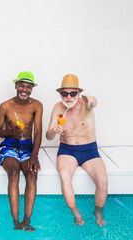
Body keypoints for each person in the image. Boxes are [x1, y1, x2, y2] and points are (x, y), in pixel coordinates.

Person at [46, 74, 108, 226]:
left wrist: (90, 99)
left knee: (103, 180)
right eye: (64, 93)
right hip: (67, 150)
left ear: (79, 93)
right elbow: (48, 136)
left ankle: (98, 212)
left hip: (89, 151)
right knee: (65, 177)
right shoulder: (58, 108)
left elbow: (94, 102)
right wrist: (54, 130)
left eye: (72, 93)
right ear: (60, 94)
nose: (68, 97)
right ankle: (75, 212)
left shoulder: (86, 104)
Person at [0, 71, 43, 231]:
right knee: (14, 172)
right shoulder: (5, 106)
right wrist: (10, 133)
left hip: (28, 147)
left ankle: (27, 220)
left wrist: (34, 155)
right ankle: (16, 221)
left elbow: (37, 132)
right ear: (16, 86)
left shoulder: (37, 105)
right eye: (22, 85)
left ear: (32, 89)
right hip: (9, 145)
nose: (25, 89)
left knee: (32, 174)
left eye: (28, 87)